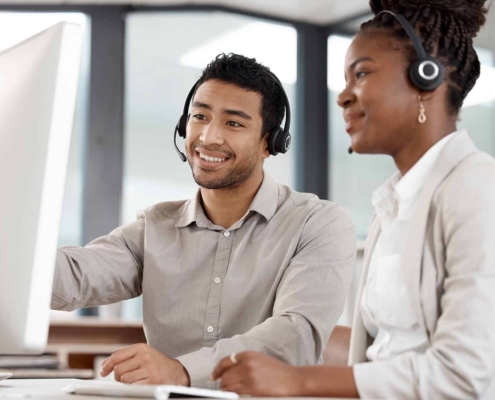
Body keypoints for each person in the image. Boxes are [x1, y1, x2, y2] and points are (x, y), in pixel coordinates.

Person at [212, 1, 495, 399]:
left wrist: (299, 381)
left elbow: (467, 375)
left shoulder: (477, 188)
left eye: (360, 74)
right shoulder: (390, 210)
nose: (343, 97)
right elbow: (378, 360)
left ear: (427, 76)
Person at [51, 53, 356, 389]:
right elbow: (77, 276)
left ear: (271, 142)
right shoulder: (156, 227)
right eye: (199, 116)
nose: (209, 137)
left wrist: (182, 372)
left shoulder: (318, 224)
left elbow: (295, 334)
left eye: (234, 123)